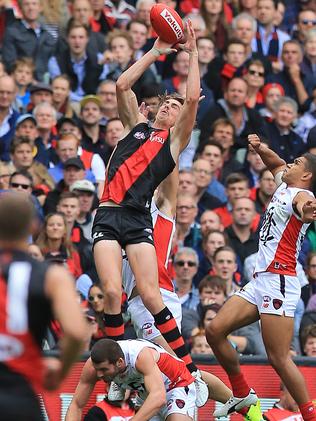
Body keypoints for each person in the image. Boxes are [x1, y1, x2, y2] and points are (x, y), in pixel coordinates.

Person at [92, 21, 200, 352]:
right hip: (108, 212)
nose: (169, 106)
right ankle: (115, 362)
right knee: (111, 292)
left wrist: (192, 54)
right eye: (166, 103)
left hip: (136, 216)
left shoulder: (172, 143)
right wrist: (154, 51)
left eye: (175, 107)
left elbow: (193, 96)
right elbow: (122, 85)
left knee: (149, 293)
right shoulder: (135, 126)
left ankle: (188, 367)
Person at [206, 133, 316, 420]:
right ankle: (242, 395)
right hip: (261, 280)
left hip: (280, 280)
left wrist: (307, 212)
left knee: (279, 358)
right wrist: (259, 147)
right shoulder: (285, 182)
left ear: (306, 175)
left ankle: (310, 415)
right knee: (215, 331)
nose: (289, 164)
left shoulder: (302, 194)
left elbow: (303, 207)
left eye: (297, 162)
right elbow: (276, 163)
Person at [0, 192, 87, 420]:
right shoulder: (52, 275)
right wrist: (60, 372)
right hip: (21, 392)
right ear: (34, 226)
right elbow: (77, 332)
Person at [66, 338, 196, 421]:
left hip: (176, 383)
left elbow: (159, 397)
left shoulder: (139, 356)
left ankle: (199, 380)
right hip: (146, 392)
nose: (99, 374)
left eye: (104, 370)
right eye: (97, 369)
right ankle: (120, 384)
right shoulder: (93, 366)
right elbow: (76, 404)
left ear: (120, 362)